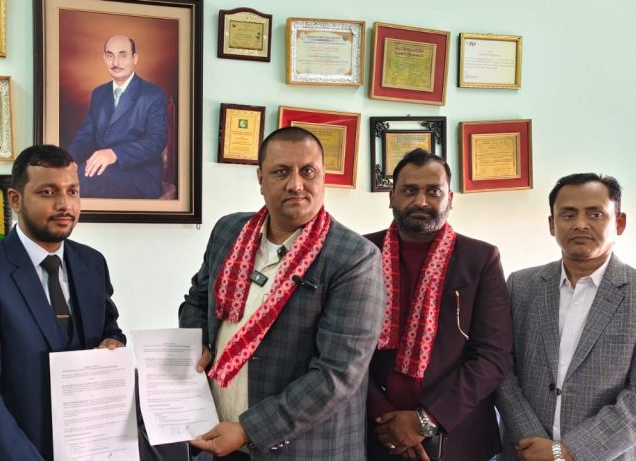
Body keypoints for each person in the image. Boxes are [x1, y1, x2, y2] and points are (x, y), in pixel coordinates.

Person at [178, 127, 386, 460]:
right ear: (261, 179)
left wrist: (248, 430)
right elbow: (197, 301)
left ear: (323, 177)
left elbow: (337, 375)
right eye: (281, 171)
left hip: (301, 450)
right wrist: (198, 342)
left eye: (308, 171)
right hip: (217, 437)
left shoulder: (354, 258)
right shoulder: (229, 231)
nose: (296, 184)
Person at [0, 144, 126, 460]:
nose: (64, 204)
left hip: (92, 448)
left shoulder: (93, 263)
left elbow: (110, 329)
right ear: (16, 200)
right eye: (47, 192)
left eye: (72, 191)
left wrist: (113, 343)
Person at [496, 173, 636, 461]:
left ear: (619, 223)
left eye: (595, 214)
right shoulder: (520, 286)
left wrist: (565, 452)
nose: (580, 224)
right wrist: (531, 440)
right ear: (552, 224)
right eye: (568, 214)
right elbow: (501, 370)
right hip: (528, 452)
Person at [364, 149, 513, 461]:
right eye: (409, 190)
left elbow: (492, 356)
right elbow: (346, 350)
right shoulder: (362, 253)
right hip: (372, 431)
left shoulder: (480, 259)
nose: (421, 201)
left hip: (456, 435)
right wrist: (382, 415)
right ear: (391, 197)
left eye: (434, 192)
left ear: (450, 199)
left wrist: (424, 421)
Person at [67, 34, 168, 199]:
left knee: (78, 184)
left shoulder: (153, 94)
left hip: (141, 173)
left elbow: (156, 141)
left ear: (134, 58)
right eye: (110, 56)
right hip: (102, 169)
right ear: (104, 58)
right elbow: (85, 135)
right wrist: (70, 161)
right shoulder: (99, 93)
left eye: (123, 55)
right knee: (65, 178)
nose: (115, 62)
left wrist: (115, 153)